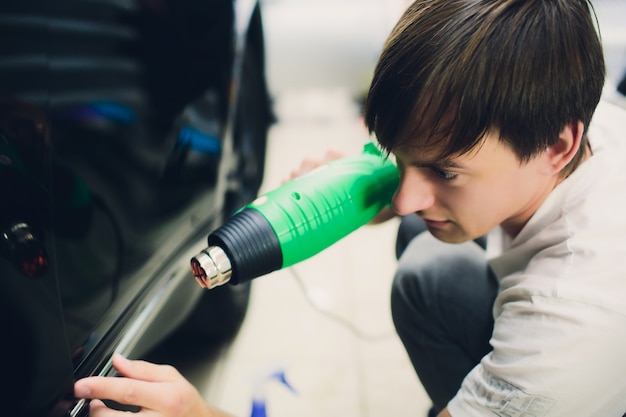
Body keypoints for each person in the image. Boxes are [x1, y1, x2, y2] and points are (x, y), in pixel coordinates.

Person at [74, 0, 626, 416]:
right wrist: (378, 178)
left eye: (444, 170)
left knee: (428, 267)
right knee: (427, 251)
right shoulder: (570, 111)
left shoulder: (572, 315)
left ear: (557, 146)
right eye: (402, 158)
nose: (406, 199)